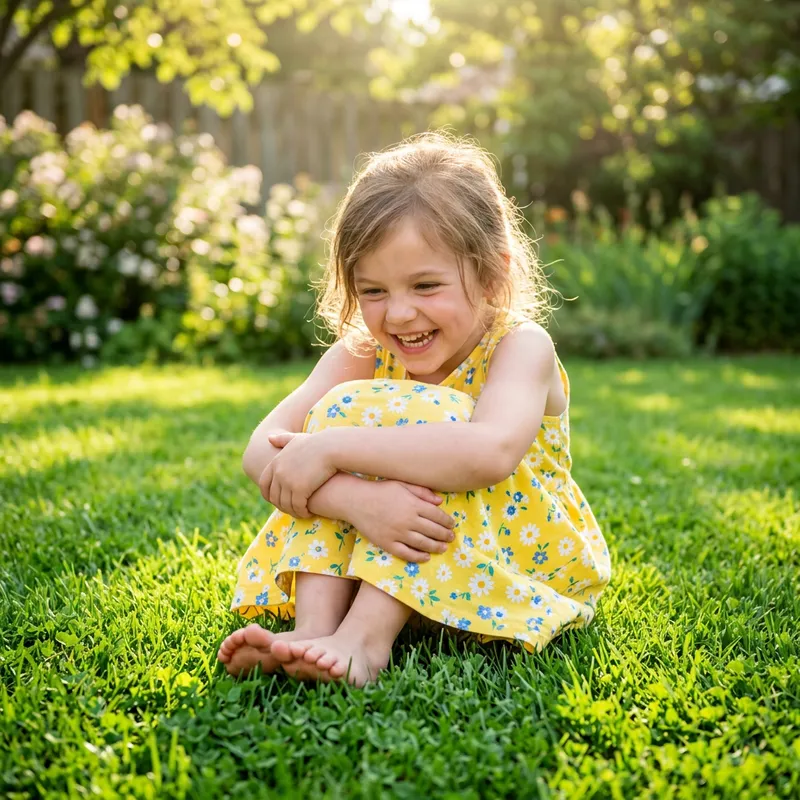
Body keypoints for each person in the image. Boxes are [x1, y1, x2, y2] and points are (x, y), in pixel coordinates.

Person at [217, 131, 611, 686]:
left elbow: (488, 452)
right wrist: (355, 499)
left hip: (506, 565)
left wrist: (329, 449)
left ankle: (363, 644)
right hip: (404, 556)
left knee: (424, 426)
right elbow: (263, 449)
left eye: (426, 285)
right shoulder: (360, 351)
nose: (398, 314)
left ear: (492, 273)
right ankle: (314, 628)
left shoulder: (522, 347)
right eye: (372, 291)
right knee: (340, 407)